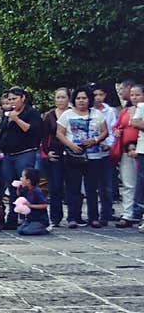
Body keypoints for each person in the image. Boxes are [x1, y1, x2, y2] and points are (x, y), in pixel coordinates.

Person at [56, 85, 109, 228]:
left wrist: (95, 140)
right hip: (73, 155)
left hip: (94, 156)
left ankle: (93, 218)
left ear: (89, 99)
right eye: (78, 98)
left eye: (84, 98)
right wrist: (70, 145)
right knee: (73, 187)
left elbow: (105, 132)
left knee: (92, 188)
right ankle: (73, 217)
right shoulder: (67, 115)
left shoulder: (97, 114)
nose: (81, 101)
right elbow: (59, 133)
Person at [0, 86, 43, 230]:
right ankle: (12, 218)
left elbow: (33, 130)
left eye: (15, 99)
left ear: (23, 98)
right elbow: (2, 133)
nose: (12, 102)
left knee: (26, 186)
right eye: (10, 99)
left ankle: (30, 217)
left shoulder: (31, 113)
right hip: (9, 155)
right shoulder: (8, 114)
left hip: (25, 153)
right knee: (13, 187)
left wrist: (17, 119)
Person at [41, 87, 72, 228]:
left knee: (72, 186)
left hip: (72, 151)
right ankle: (55, 217)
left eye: (63, 97)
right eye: (58, 97)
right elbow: (43, 136)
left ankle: (73, 216)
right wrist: (47, 152)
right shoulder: (50, 115)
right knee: (55, 187)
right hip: (55, 153)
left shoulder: (73, 113)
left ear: (69, 98)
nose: (60, 100)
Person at [115, 83, 143, 227]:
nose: (134, 97)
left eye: (137, 94)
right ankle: (128, 213)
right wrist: (117, 132)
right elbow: (118, 125)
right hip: (127, 152)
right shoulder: (125, 111)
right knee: (128, 183)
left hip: (140, 150)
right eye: (132, 95)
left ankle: (140, 213)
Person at [92, 81, 119, 223]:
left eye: (100, 95)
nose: (97, 98)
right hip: (91, 152)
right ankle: (94, 213)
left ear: (105, 95)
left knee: (107, 185)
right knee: (92, 185)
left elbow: (114, 129)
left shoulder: (110, 111)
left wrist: (108, 144)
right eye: (95, 95)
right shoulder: (88, 110)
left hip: (106, 152)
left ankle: (107, 212)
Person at [13, 168, 50, 235]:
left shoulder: (37, 191)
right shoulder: (26, 189)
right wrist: (18, 188)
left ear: (28, 181)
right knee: (20, 230)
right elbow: (19, 195)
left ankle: (45, 229)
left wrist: (30, 205)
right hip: (30, 219)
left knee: (28, 231)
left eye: (22, 177)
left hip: (40, 220)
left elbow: (45, 205)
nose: (21, 179)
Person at [129, 85, 144, 232]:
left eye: (137, 94)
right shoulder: (141, 106)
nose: (134, 97)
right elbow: (135, 122)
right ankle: (139, 212)